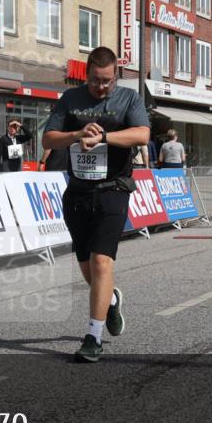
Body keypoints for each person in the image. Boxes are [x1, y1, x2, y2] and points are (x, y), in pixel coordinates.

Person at [43, 46, 150, 362]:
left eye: (107, 81)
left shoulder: (129, 99)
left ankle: (93, 336)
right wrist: (76, 134)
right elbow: (48, 139)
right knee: (87, 265)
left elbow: (142, 134)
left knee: (103, 261)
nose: (101, 87)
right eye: (94, 81)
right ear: (85, 74)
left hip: (113, 189)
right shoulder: (70, 100)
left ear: (116, 74)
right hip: (77, 192)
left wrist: (104, 138)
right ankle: (111, 301)